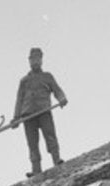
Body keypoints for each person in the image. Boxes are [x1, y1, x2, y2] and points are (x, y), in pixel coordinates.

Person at [11, 46, 68, 177]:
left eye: (37, 59)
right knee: (32, 143)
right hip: (28, 116)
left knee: (50, 136)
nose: (35, 62)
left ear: (41, 60)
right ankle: (36, 169)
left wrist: (62, 98)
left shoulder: (47, 77)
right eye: (32, 59)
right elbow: (19, 99)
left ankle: (56, 160)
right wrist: (16, 118)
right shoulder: (24, 81)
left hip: (44, 111)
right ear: (29, 61)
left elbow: (57, 90)